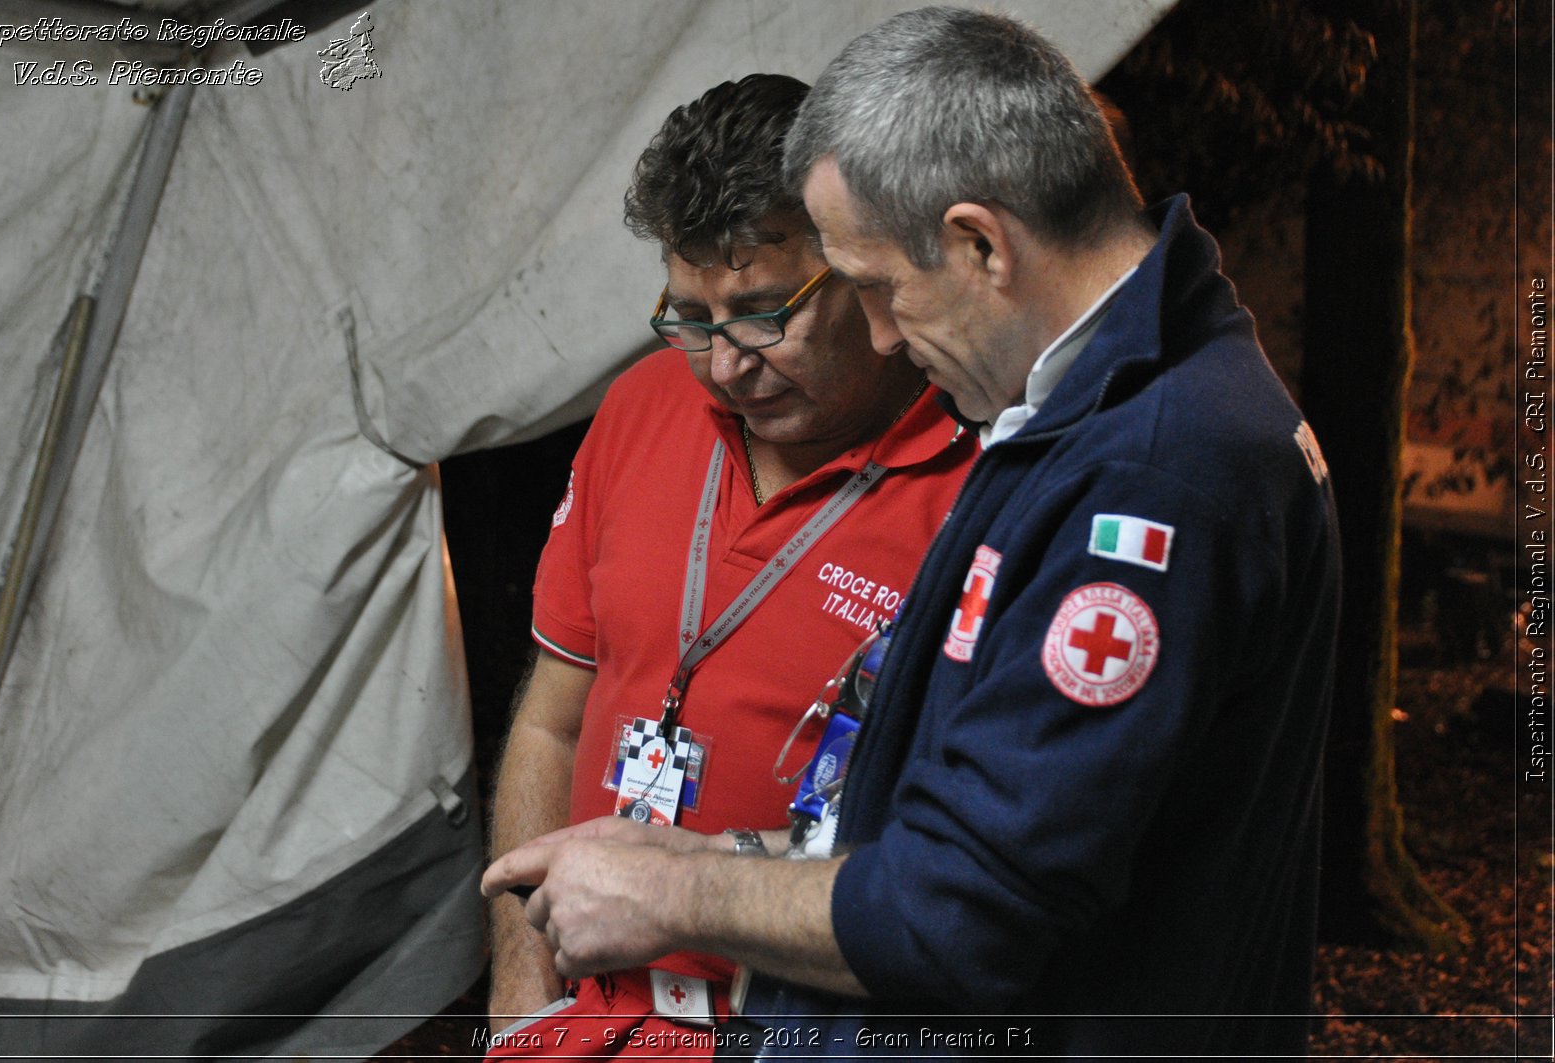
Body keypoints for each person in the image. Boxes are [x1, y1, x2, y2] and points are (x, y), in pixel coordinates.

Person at [484, 7, 1343, 1058]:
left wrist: (674, 883)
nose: (884, 332)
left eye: (879, 288)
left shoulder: (1148, 478)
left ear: (980, 242)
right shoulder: (1083, 419)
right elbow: (957, 814)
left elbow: (965, 907)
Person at [482, 72, 975, 1051]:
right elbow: (552, 717)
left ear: (861, 265)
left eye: (760, 310)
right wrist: (519, 987)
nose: (724, 364)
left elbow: (962, 864)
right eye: (690, 314)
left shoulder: (976, 480)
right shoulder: (639, 407)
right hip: (585, 1023)